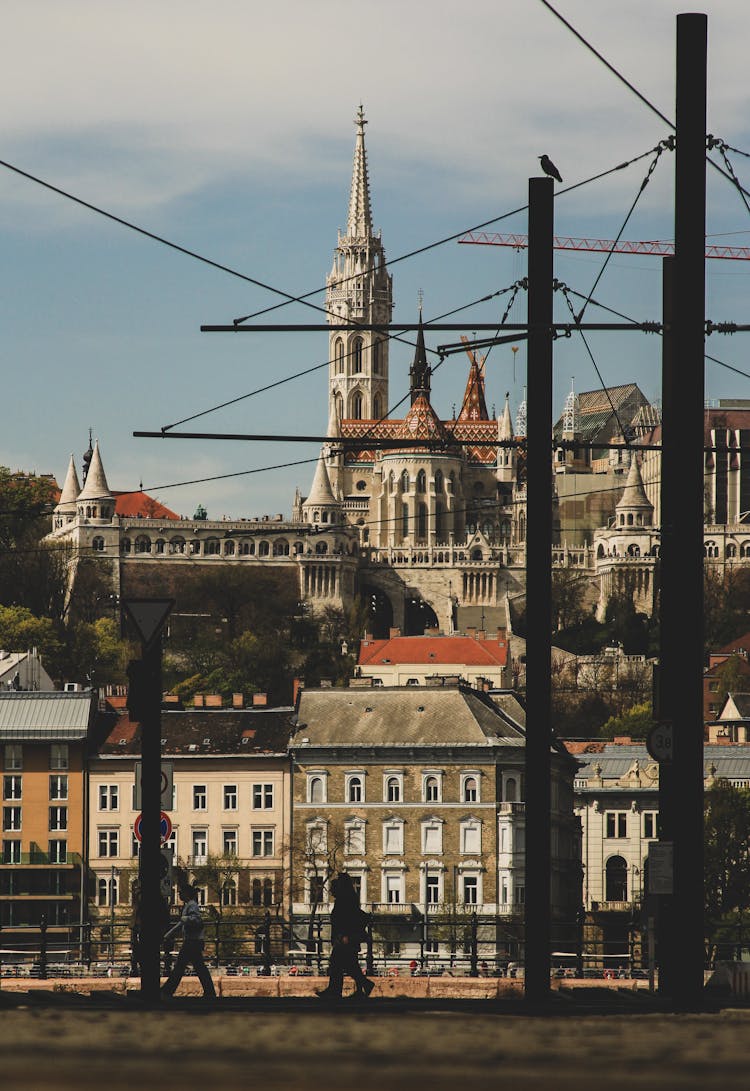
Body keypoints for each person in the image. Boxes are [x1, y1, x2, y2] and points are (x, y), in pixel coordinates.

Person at [316, 872, 373, 1001]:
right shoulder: (348, 899)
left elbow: (346, 919)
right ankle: (363, 986)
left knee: (338, 964)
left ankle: (335, 991)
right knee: (350, 965)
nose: (330, 892)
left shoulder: (344, 901)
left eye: (332, 889)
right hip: (344, 937)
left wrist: (344, 935)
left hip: (345, 938)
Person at [160, 881, 216, 1000]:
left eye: (180, 892)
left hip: (192, 941)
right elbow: (183, 923)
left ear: (186, 894)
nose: (179, 894)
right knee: (197, 967)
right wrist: (170, 933)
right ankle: (209, 991)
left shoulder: (191, 905)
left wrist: (170, 933)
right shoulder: (189, 905)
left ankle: (167, 990)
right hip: (193, 941)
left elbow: (193, 919)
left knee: (181, 967)